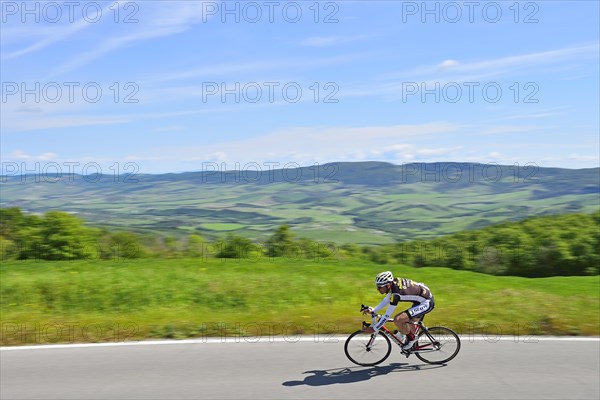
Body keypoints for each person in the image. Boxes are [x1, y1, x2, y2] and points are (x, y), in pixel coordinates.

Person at [361, 271, 435, 350]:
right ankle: (409, 339)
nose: (377, 289)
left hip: (426, 302)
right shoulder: (393, 285)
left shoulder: (395, 295)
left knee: (398, 319)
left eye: (379, 287)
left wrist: (374, 329)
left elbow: (387, 316)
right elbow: (386, 300)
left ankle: (411, 339)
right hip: (421, 297)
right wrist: (374, 310)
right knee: (409, 321)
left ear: (388, 285)